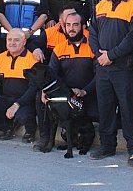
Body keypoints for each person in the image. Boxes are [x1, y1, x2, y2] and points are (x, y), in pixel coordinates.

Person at [89, 0, 133, 165]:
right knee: (106, 108)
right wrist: (99, 55)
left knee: (129, 109)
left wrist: (111, 55)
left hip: (125, 68)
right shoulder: (100, 6)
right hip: (103, 67)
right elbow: (92, 33)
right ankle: (106, 146)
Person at [33, 11, 97, 151]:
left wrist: (85, 90)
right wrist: (45, 91)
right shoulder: (59, 48)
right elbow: (51, 75)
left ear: (83, 26)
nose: (71, 28)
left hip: (89, 95)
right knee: (40, 97)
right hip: (67, 96)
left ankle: (105, 143)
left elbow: (100, 75)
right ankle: (45, 139)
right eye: (68, 25)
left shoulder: (93, 46)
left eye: (75, 25)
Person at [0, 28, 39, 142]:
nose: (12, 43)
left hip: (25, 102)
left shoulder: (32, 60)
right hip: (5, 99)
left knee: (23, 116)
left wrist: (17, 104)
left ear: (24, 42)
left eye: (16, 40)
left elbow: (33, 88)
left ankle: (30, 131)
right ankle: (8, 127)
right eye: (9, 39)